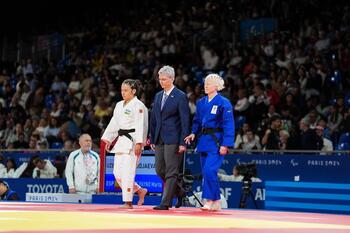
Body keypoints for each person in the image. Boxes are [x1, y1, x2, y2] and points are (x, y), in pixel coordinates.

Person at [185, 73, 235, 211]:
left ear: (216, 87)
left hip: (217, 141)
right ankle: (217, 201)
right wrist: (193, 133)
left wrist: (226, 144)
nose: (205, 86)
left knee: (209, 170)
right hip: (203, 141)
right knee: (207, 172)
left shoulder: (224, 102)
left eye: (209, 84)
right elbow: (196, 121)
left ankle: (209, 199)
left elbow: (229, 124)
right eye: (205, 83)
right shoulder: (201, 103)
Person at [101, 79, 148, 209]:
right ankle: (139, 190)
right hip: (121, 142)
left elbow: (141, 125)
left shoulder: (138, 105)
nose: (123, 93)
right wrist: (109, 139)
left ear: (133, 91)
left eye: (126, 90)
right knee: (117, 173)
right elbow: (114, 123)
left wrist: (140, 143)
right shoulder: (119, 105)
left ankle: (128, 202)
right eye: (122, 90)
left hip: (132, 142)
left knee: (128, 173)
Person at [150, 65, 190, 210]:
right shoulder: (158, 96)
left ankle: (165, 203)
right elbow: (154, 118)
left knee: (171, 171)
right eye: (160, 79)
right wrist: (152, 137)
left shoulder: (180, 96)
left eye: (165, 79)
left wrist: (183, 142)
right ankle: (179, 191)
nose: (162, 82)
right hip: (159, 138)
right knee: (159, 169)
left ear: (172, 79)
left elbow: (185, 121)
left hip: (174, 139)